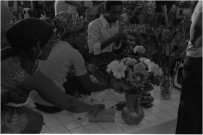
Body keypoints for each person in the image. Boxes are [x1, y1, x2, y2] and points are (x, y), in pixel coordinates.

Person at [1, 18, 105, 133]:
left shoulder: (9, 54)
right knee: (36, 121)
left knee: (32, 116)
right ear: (38, 46)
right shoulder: (26, 74)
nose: (53, 47)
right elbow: (69, 104)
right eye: (51, 43)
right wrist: (93, 108)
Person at [31, 11, 109, 113]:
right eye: (83, 35)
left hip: (35, 102)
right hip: (54, 106)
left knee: (75, 75)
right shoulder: (73, 53)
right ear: (73, 34)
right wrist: (108, 85)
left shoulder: (46, 46)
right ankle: (82, 101)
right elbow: (89, 86)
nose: (85, 39)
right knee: (80, 80)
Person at [176, 1, 202, 134]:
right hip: (197, 61)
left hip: (196, 61)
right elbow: (196, 37)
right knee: (192, 107)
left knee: (193, 107)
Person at [87, 1, 127, 72]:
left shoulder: (115, 24)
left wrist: (119, 38)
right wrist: (113, 39)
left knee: (134, 63)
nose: (117, 16)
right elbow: (93, 49)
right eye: (114, 12)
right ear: (106, 11)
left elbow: (115, 47)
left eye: (119, 13)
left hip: (110, 56)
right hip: (98, 60)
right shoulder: (95, 24)